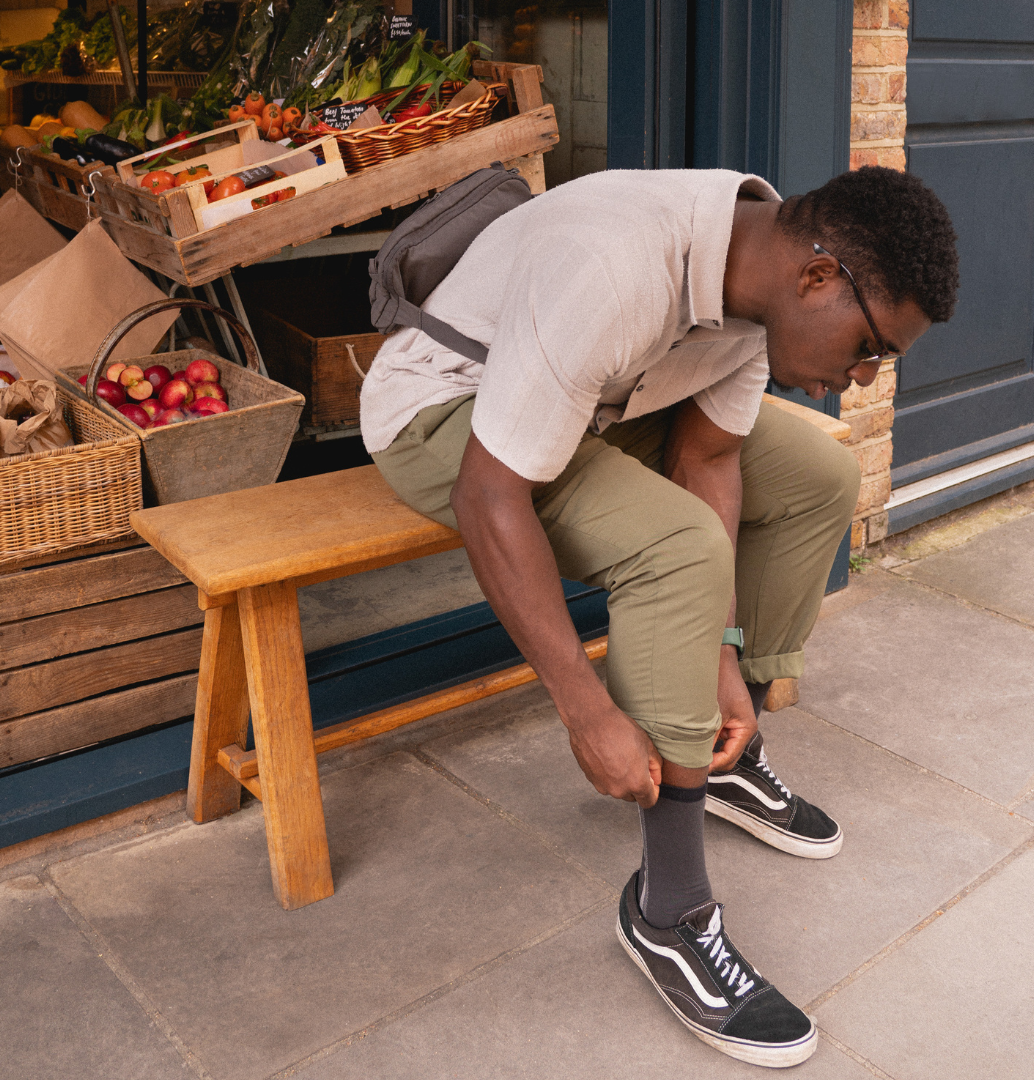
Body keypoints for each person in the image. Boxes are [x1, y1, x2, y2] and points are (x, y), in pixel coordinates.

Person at [360, 165, 959, 1067]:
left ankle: (714, 751)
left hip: (600, 399)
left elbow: (707, 459)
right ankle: (669, 910)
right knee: (676, 548)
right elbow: (490, 497)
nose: (865, 376)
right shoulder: (614, 267)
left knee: (820, 477)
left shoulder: (757, 287)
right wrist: (586, 709)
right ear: (817, 278)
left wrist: (723, 659)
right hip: (448, 408)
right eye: (871, 347)